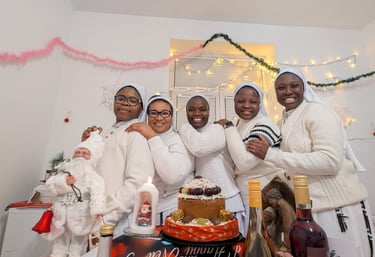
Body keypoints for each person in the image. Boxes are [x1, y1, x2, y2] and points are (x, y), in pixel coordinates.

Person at [246, 67, 374, 257]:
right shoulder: (283, 121)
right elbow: (293, 165)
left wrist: (271, 155)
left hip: (339, 209)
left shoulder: (319, 112)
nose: (288, 91)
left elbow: (330, 161)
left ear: (303, 87)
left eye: (294, 85)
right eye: (281, 88)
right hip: (308, 212)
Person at [81, 83, 155, 236]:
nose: (125, 103)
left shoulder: (135, 133)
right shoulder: (113, 131)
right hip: (97, 218)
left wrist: (108, 218)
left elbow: (137, 181)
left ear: (142, 108)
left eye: (133, 100)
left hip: (115, 222)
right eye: (121, 98)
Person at [215, 82, 285, 233]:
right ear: (234, 102)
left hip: (264, 198)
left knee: (261, 248)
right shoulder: (239, 125)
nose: (246, 105)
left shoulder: (264, 124)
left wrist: (227, 126)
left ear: (259, 104)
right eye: (241, 101)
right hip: (246, 197)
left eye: (253, 102)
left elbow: (245, 162)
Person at [178, 93, 246, 235]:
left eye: (202, 109)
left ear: (209, 111)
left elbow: (199, 147)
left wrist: (183, 127)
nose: (197, 113)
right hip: (201, 205)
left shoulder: (217, 130)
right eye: (191, 109)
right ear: (186, 112)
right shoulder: (190, 134)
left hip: (228, 200)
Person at [125, 95, 194, 225]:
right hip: (143, 209)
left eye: (165, 113)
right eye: (153, 113)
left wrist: (152, 136)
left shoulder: (177, 140)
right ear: (147, 115)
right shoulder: (139, 136)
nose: (159, 117)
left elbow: (173, 176)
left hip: (171, 211)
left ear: (172, 116)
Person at [42, 131, 106, 257]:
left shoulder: (93, 176)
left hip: (80, 215)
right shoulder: (64, 171)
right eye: (77, 152)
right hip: (61, 213)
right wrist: (64, 182)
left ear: (91, 157)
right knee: (60, 242)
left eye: (84, 153)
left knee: (77, 244)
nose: (80, 155)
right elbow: (51, 184)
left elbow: (98, 193)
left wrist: (97, 209)